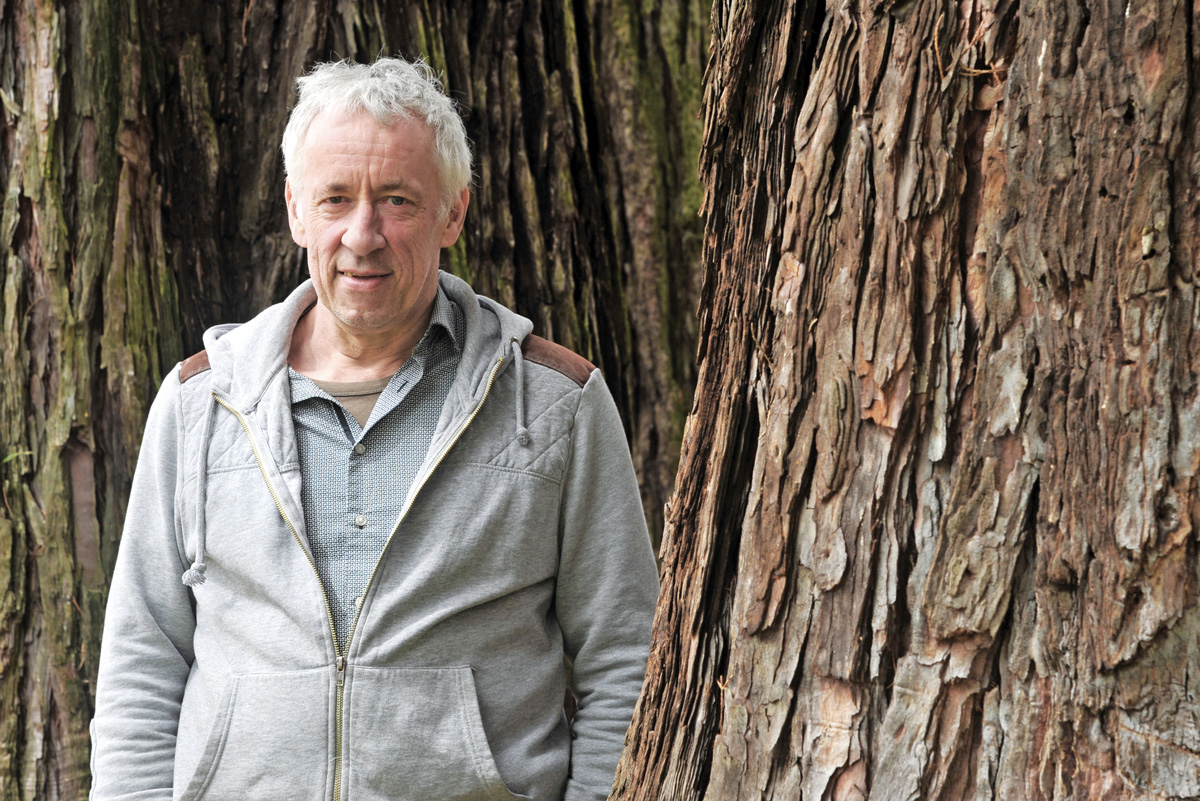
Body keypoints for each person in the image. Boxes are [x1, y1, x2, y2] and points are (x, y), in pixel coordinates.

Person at [89, 57, 659, 801]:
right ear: (297, 209)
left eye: (397, 199)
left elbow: (629, 661)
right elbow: (142, 661)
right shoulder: (202, 402)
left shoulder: (555, 405)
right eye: (336, 199)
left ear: (453, 211)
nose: (363, 234)